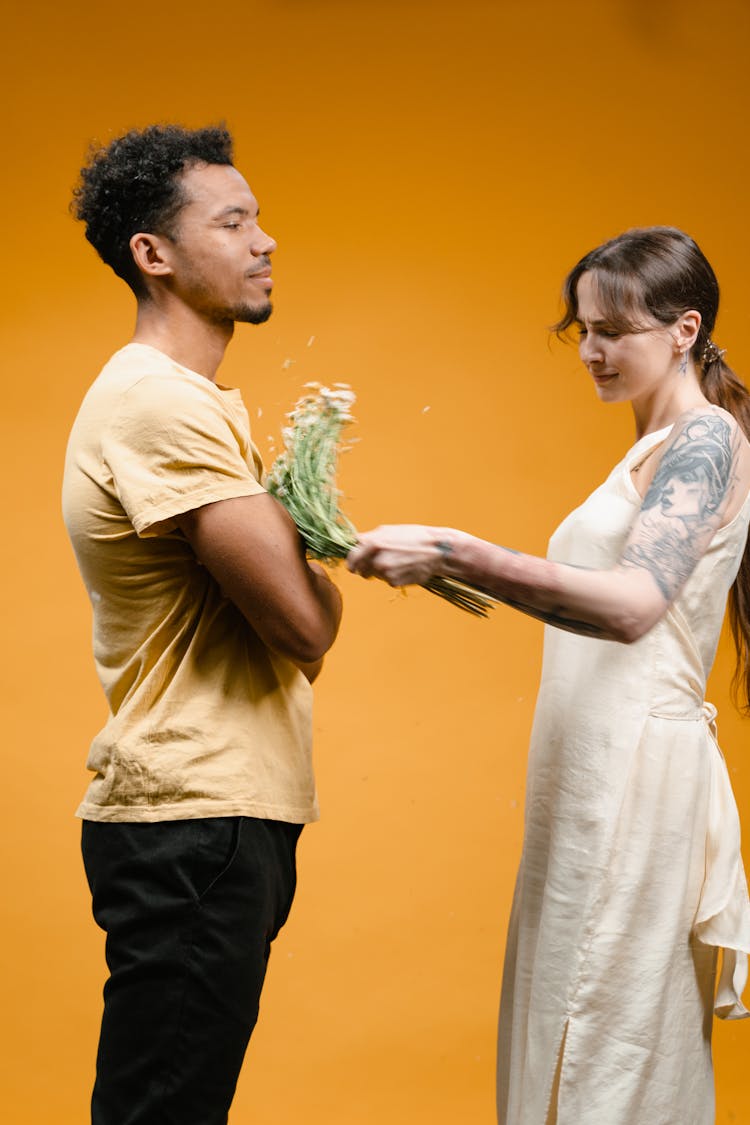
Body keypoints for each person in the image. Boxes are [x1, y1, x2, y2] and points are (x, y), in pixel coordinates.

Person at [347, 227, 750, 1124]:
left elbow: (634, 604)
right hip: (589, 773)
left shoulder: (705, 439)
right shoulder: (654, 449)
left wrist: (455, 551)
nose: (594, 351)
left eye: (615, 329)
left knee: (607, 1041)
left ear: (685, 330)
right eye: (583, 330)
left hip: (638, 777)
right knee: (568, 1027)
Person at [63, 124, 343, 1125]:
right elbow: (304, 629)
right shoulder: (156, 408)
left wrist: (298, 547)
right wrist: (318, 557)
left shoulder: (197, 405)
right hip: (193, 818)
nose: (265, 240)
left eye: (260, 217)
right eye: (233, 221)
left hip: (213, 817)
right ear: (155, 254)